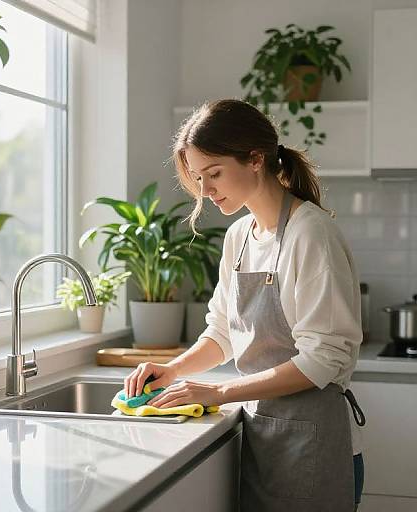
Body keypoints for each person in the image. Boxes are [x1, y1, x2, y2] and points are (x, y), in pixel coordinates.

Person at [124, 99, 366, 511]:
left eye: (214, 174)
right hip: (263, 435)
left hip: (312, 444)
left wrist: (218, 390)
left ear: (255, 159)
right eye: (198, 178)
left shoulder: (310, 234)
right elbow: (222, 332)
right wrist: (173, 370)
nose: (206, 191)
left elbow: (324, 358)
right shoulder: (239, 236)